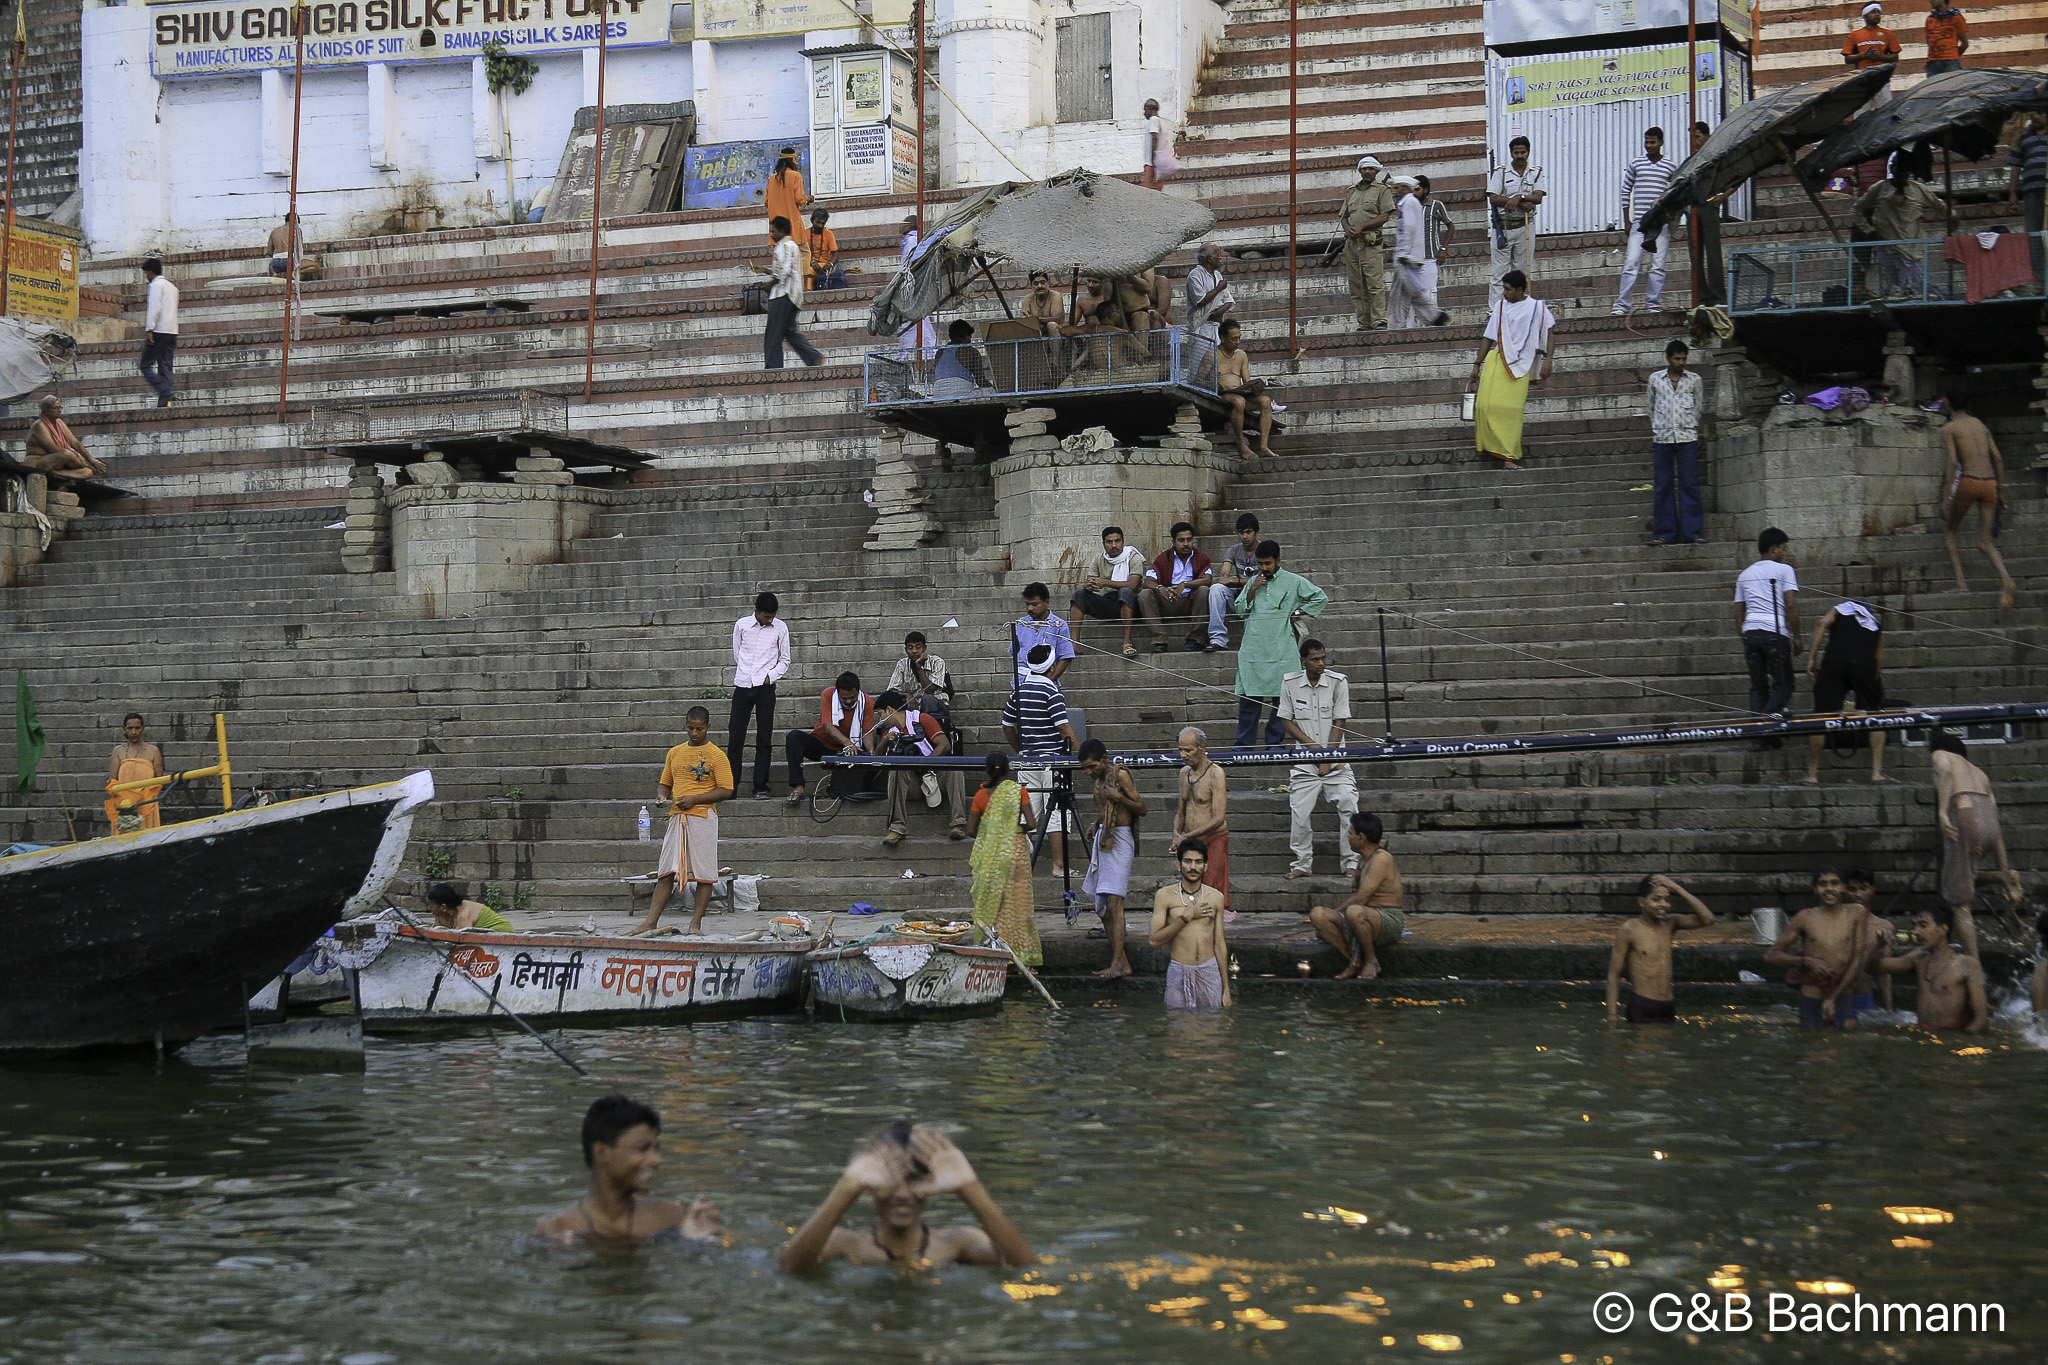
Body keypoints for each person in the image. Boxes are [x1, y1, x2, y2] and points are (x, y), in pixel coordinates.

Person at [780, 1122, 1035, 1270]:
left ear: (931, 1183)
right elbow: (791, 1268)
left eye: (913, 1180)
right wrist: (846, 1187)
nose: (902, 1194)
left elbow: (1024, 1267)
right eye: (890, 1180)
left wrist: (969, 1187)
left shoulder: (958, 1243)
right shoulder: (844, 1245)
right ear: (867, 1186)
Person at [534, 1096, 722, 1247]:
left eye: (656, 1149)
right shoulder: (558, 1229)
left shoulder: (672, 1217)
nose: (657, 1160)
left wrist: (701, 1241)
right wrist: (554, 1255)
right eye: (642, 1149)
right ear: (602, 1152)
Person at [631, 707, 734, 936]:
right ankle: (650, 921)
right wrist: (661, 797)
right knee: (666, 871)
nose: (694, 733)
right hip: (677, 816)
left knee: (704, 873)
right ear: (685, 726)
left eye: (699, 729)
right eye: (690, 728)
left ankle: (695, 924)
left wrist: (696, 799)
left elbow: (727, 789)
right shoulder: (675, 752)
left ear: (708, 726)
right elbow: (665, 783)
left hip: (703, 817)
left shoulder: (716, 754)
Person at [1928, 728, 2020, 959]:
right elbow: (1995, 822)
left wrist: (1942, 813)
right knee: (1964, 877)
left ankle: (1974, 968)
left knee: (1959, 902)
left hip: (1964, 812)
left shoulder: (1941, 754)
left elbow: (1945, 771)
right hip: (1988, 819)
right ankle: (1998, 878)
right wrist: (2005, 873)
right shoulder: (1980, 773)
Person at [1234, 539, 1328, 746]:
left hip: (1282, 648)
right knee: (1249, 702)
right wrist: (1253, 588)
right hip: (1254, 649)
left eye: (1268, 563)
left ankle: (1274, 744)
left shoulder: (1293, 581)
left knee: (1281, 703)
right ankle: (1244, 745)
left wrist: (1298, 612)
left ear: (1278, 561)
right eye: (1260, 564)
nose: (1264, 568)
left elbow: (1320, 598)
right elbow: (1240, 610)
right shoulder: (1254, 581)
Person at [1278, 639, 1358, 882]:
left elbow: (1340, 721)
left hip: (1336, 762)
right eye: (1315, 659)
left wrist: (1328, 757)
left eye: (1323, 658)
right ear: (1303, 661)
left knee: (1349, 806)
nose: (1321, 663)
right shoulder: (1289, 683)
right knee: (1299, 813)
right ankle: (1302, 863)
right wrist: (1314, 750)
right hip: (1305, 761)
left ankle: (1351, 863)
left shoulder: (1338, 682)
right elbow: (1286, 720)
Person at [1002, 644, 1079, 876]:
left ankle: (1019, 865)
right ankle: (1059, 866)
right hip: (1053, 761)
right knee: (1057, 812)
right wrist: (1082, 753)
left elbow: (1007, 726)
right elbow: (1064, 728)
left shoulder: (1018, 692)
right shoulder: (1052, 692)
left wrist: (1021, 749)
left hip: (1028, 760)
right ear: (1053, 666)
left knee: (1028, 812)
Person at [1764, 867, 1872, 1027]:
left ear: (1843, 887)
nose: (1828, 889)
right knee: (1812, 1047)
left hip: (1843, 994)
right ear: (1815, 889)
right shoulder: (1804, 917)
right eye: (1822, 884)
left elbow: (1858, 959)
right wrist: (1805, 961)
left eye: (1834, 883)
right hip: (1812, 996)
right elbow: (1770, 955)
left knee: (1848, 1046)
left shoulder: (1856, 913)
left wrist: (1833, 998)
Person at [1938, 391, 2015, 609]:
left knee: (1951, 531)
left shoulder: (1949, 428)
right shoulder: (1980, 424)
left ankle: (1962, 583)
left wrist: (1945, 499)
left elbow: (1953, 463)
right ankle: (2007, 580)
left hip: (1969, 482)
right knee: (1984, 541)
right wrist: (1999, 490)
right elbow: (1998, 458)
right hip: (1989, 483)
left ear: (1949, 406)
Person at [1469, 269, 1555, 465]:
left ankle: (1508, 455)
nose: (1504, 293)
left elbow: (1550, 334)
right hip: (1497, 360)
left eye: (1508, 290)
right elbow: (1488, 337)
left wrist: (1548, 360)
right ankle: (1491, 447)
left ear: (1520, 289)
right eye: (1504, 289)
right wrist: (1476, 365)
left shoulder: (1537, 308)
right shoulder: (1500, 306)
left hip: (1523, 363)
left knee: (1512, 410)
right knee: (1484, 406)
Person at [1075, 739, 1145, 978]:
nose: (1089, 772)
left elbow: (1141, 807)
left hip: (1121, 840)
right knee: (1102, 907)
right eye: (1085, 768)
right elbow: (1104, 810)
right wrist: (1096, 823)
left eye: (1092, 766)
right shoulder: (1097, 780)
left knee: (1115, 904)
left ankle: (1117, 964)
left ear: (1104, 759)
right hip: (1104, 840)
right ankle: (1122, 962)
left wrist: (1119, 797)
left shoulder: (1120, 775)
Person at [1803, 599, 1893, 785]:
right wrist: (1874, 681)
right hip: (1864, 665)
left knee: (1821, 716)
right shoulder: (1875, 622)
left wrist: (1812, 658)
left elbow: (1821, 624)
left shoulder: (1839, 610)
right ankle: (1877, 772)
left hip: (1834, 661)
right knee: (1875, 715)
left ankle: (1812, 775)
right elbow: (1879, 657)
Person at [1604, 874, 1715, 1023]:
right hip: (1643, 1005)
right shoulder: (1629, 930)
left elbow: (1708, 919)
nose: (1663, 904)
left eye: (1667, 900)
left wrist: (1678, 888)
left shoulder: (1671, 923)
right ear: (1642, 902)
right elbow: (1614, 974)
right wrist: (1612, 1016)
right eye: (1656, 899)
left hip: (1668, 1005)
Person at [1306, 812, 1404, 979]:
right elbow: (1356, 891)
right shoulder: (1363, 859)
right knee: (1318, 914)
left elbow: (1361, 898)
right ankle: (1355, 962)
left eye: (1351, 833)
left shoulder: (1381, 859)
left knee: (1354, 911)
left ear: (1362, 837)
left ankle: (1372, 961)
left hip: (1387, 919)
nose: (1348, 837)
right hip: (1362, 916)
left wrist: (1337, 915)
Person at [967, 753, 1043, 964]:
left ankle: (1000, 956)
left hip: (992, 856)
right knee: (1020, 905)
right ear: (1008, 770)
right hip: (1016, 852)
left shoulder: (981, 796)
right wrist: (1011, 828)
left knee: (995, 906)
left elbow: (971, 830)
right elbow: (1031, 824)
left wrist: (992, 833)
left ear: (987, 771)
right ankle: (1026, 957)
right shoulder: (1018, 791)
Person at [868, 689, 966, 847]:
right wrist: (886, 742)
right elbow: (880, 759)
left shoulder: (921, 719)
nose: (880, 719)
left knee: (955, 768)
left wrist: (927, 763)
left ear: (889, 709)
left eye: (880, 714)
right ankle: (897, 827)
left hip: (933, 776)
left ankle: (958, 823)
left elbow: (944, 744)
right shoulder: (889, 732)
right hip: (912, 785)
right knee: (896, 770)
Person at [1734, 528, 1800, 743]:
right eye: (1783, 548)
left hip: (1751, 633)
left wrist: (1743, 634)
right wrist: (1797, 635)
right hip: (1775, 632)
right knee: (1784, 684)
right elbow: (1790, 603)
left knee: (1758, 686)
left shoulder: (1744, 574)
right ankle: (1763, 724)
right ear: (1773, 549)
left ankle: (1759, 738)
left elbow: (1738, 610)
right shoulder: (1784, 570)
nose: (1784, 553)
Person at [1876, 904, 1988, 1031]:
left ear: (1943, 929)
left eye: (1923, 925)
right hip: (1922, 1034)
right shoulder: (1917, 958)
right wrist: (1878, 945)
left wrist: (1959, 1042)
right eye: (1915, 925)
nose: (1916, 931)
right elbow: (1873, 967)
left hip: (1951, 1036)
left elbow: (1981, 1018)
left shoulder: (1968, 965)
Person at [1150, 838, 1232, 1009]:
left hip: (1209, 971)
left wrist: (1226, 989)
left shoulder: (1216, 897)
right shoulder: (1165, 895)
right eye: (1188, 861)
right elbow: (1154, 941)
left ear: (1206, 866)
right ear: (1179, 865)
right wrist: (1186, 917)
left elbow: (1219, 944)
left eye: (1198, 862)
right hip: (1179, 970)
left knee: (1211, 1028)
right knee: (1178, 1027)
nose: (1193, 867)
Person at [729, 591, 790, 799]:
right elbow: (738, 654)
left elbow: (785, 659)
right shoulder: (742, 625)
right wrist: (749, 674)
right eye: (766, 616)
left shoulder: (781, 628)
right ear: (757, 611)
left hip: (765, 688)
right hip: (743, 685)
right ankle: (731, 787)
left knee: (764, 738)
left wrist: (769, 676)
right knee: (735, 738)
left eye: (772, 616)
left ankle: (760, 786)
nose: (769, 620)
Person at [1854, 159, 1944, 298]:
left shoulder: (1919, 190)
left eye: (1906, 172)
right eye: (1899, 170)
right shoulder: (1880, 188)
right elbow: (1856, 210)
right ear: (1892, 169)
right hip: (1888, 248)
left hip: (1913, 249)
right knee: (1890, 292)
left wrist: (1952, 215)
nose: (1902, 175)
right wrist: (1867, 229)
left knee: (1915, 293)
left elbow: (1941, 207)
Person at [1646, 338, 1704, 545]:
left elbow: (1699, 407)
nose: (1681, 362)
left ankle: (1693, 532)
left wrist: (1688, 425)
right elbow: (1650, 407)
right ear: (1668, 358)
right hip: (1662, 439)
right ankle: (1664, 533)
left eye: (1683, 358)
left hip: (1687, 437)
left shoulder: (1694, 380)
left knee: (1689, 484)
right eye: (1677, 358)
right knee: (1663, 486)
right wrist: (1660, 427)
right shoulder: (1655, 379)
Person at [784, 671, 873, 806]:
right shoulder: (828, 694)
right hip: (821, 745)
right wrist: (847, 742)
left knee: (865, 756)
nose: (848, 701)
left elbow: (867, 731)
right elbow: (828, 726)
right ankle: (798, 787)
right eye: (844, 698)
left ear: (858, 691)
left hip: (845, 752)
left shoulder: (867, 702)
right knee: (794, 737)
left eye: (852, 697)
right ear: (838, 693)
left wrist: (871, 750)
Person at [1614, 126, 1677, 315]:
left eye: (1653, 142)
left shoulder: (1670, 166)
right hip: (1639, 224)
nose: (1649, 146)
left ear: (1661, 143)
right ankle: (1622, 305)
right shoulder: (1636, 163)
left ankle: (1653, 303)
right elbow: (1626, 191)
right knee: (1631, 263)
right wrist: (1627, 219)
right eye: (1647, 142)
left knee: (1658, 266)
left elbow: (1674, 194)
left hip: (1661, 224)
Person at [1172, 727, 1230, 910]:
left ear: (1202, 747)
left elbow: (1219, 818)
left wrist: (1186, 837)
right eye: (1181, 750)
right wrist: (1176, 834)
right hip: (1191, 843)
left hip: (1213, 840)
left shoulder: (1216, 773)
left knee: (1210, 889)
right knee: (1191, 886)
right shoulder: (1184, 774)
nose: (1183, 755)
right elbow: (1181, 811)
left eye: (1188, 750)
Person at [1068, 526, 1146, 660]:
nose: (1114, 545)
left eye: (1117, 541)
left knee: (1125, 592)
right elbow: (1091, 580)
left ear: (1123, 541)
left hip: (1131, 604)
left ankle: (1127, 643)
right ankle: (1074, 644)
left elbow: (1133, 585)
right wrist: (1089, 586)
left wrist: (1105, 582)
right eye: (1109, 542)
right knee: (1079, 595)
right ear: (1103, 544)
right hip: (1108, 602)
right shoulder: (1098, 559)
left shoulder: (1133, 557)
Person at [755, 216, 822, 370]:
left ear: (782, 231)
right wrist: (766, 271)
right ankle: (813, 356)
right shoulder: (790, 246)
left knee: (773, 333)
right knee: (789, 331)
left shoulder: (785, 245)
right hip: (793, 295)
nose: (771, 234)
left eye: (774, 231)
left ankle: (773, 367)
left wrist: (771, 283)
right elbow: (785, 268)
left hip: (783, 295)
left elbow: (786, 269)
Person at [1484, 137, 1544, 307]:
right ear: (1511, 153)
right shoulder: (1501, 172)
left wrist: (1518, 198)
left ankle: (1520, 308)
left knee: (1522, 271)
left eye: (1523, 152)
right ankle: (1495, 311)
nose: (1519, 156)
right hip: (1503, 228)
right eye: (1516, 152)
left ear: (1528, 152)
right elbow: (1493, 197)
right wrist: (1515, 201)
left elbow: (1538, 196)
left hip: (1524, 226)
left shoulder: (1536, 171)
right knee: (1499, 273)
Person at [1339, 155, 1397, 331]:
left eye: (1371, 169)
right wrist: (1348, 228)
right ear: (1360, 170)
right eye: (1364, 169)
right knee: (1357, 286)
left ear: (1376, 171)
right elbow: (1344, 216)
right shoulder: (1352, 192)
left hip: (1370, 244)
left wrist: (1362, 226)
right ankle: (1363, 322)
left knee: (1374, 284)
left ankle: (1379, 320)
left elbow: (1385, 215)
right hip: (1352, 245)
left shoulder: (1382, 190)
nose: (1367, 172)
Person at [1138, 522, 1214, 653]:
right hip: (1168, 601)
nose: (1185, 543)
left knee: (1204, 591)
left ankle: (1195, 640)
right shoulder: (1163, 558)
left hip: (1191, 602)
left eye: (1189, 540)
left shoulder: (1201, 557)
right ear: (1173, 542)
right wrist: (1161, 589)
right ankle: (1159, 640)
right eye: (1181, 540)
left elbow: (1207, 580)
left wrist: (1185, 584)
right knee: (1144, 595)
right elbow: (1147, 581)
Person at [1387, 177, 1450, 329]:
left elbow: (1409, 229)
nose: (1394, 192)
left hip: (1408, 258)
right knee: (1404, 293)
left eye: (1397, 188)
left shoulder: (1408, 203)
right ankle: (1398, 324)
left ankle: (1432, 317)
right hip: (1409, 256)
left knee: (1410, 292)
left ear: (1405, 188)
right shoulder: (1409, 202)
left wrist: (1403, 253)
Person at [1215, 319, 1277, 460]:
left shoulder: (1241, 355)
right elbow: (1200, 379)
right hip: (1224, 396)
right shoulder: (1212, 354)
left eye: (1239, 338)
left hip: (1240, 392)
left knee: (1265, 400)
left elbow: (1247, 380)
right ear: (1223, 338)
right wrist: (1215, 385)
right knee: (1239, 401)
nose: (1237, 342)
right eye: (1233, 339)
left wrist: (1255, 389)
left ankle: (1263, 447)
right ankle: (1241, 443)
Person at [1205, 512, 1260, 652]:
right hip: (1239, 599)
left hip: (1259, 601)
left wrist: (1235, 580)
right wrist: (1239, 582)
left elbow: (1262, 580)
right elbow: (1224, 578)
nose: (1244, 537)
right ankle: (1218, 639)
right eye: (1241, 533)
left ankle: (1251, 643)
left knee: (1253, 607)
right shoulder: (1234, 550)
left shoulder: (1263, 549)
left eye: (1248, 532)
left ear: (1256, 532)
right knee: (1216, 589)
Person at [1687, 122, 1727, 307]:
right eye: (1693, 137)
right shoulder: (1692, 159)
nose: (1695, 141)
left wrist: (1724, 196)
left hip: (1709, 207)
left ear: (1706, 136)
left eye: (1698, 137)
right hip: (1693, 209)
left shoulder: (1715, 156)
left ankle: (1718, 297)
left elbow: (1735, 176)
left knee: (1713, 254)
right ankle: (1701, 298)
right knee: (1695, 255)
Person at [1844, 867, 1895, 1014]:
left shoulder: (1884, 927)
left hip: (1862, 996)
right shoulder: (1835, 921)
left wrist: (1889, 1009)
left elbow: (1884, 971)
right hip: (1835, 994)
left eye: (1863, 888)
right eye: (1852, 889)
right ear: (1844, 891)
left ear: (1872, 890)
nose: (1857, 894)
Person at [103, 712, 165, 833]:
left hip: (147, 801)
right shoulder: (118, 751)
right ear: (124, 729)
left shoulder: (153, 750)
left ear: (143, 729)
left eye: (137, 728)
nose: (133, 732)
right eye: (130, 728)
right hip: (125, 803)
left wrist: (144, 795)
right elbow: (113, 781)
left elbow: (160, 780)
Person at [2009, 112, 2045, 296]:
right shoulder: (2023, 136)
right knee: (2034, 237)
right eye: (2034, 113)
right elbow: (2015, 165)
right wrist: (2012, 191)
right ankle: (2040, 282)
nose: (2035, 116)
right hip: (2031, 193)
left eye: (2040, 113)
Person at [25, 395, 106, 477]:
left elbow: (75, 443)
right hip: (38, 462)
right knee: (68, 454)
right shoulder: (39, 425)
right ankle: (49, 472)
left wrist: (91, 460)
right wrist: (83, 462)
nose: (59, 410)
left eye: (60, 408)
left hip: (57, 464)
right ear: (46, 411)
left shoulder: (59, 422)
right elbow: (53, 448)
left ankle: (55, 474)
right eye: (56, 408)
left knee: (87, 472)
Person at [887, 631, 954, 723]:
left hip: (936, 706)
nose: (914, 651)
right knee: (889, 704)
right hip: (913, 706)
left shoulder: (937, 662)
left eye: (918, 647)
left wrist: (919, 667)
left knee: (928, 698)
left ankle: (929, 732)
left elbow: (929, 690)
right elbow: (891, 691)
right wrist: (907, 695)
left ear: (924, 648)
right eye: (910, 648)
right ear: (906, 650)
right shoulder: (902, 664)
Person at [1413, 175, 1456, 320]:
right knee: (1412, 295)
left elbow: (1450, 226)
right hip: (1412, 260)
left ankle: (1431, 327)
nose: (1414, 193)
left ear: (1425, 189)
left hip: (1430, 257)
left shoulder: (1436, 206)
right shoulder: (1409, 206)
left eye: (1417, 189)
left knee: (1430, 293)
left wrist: (1443, 249)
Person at [1015, 582, 1075, 682]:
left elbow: (1066, 656)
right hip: (1022, 682)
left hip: (1047, 680)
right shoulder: (1020, 624)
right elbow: (1015, 654)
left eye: (1034, 604)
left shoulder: (1059, 625)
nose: (1030, 608)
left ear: (1046, 602)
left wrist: (1049, 681)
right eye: (1027, 604)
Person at [139, 259, 178, 408]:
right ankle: (165, 399)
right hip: (172, 331)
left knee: (145, 365)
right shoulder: (172, 287)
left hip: (159, 331)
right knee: (165, 365)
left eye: (146, 274)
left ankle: (164, 390)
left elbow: (154, 308)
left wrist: (150, 329)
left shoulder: (156, 285)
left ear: (150, 272)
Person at [897, 215, 937, 357]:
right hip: (912, 285)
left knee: (918, 319)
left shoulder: (912, 240)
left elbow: (912, 264)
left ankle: (928, 352)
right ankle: (908, 352)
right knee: (913, 320)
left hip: (912, 285)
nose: (902, 226)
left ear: (913, 225)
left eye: (905, 224)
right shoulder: (911, 240)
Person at [1185, 242, 1237, 344]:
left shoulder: (1217, 275)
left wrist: (1219, 312)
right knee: (1201, 359)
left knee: (1217, 359)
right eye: (1217, 255)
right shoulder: (1195, 275)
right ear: (1209, 259)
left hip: (1217, 327)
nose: (1220, 258)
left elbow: (1229, 301)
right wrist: (1219, 288)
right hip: (1201, 328)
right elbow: (1200, 300)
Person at [762, 147, 810, 251]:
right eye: (795, 160)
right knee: (805, 252)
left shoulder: (771, 180)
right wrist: (808, 199)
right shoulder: (796, 176)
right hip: (793, 225)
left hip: (778, 229)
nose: (796, 163)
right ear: (791, 160)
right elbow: (800, 199)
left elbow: (766, 202)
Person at [929, 319, 992, 397]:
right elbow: (981, 381)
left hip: (938, 395)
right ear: (965, 335)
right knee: (991, 391)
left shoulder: (939, 352)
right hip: (960, 394)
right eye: (969, 336)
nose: (970, 340)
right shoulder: (971, 351)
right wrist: (993, 387)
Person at [424, 881, 516, 933]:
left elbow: (459, 941)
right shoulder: (443, 914)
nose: (429, 908)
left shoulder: (463, 915)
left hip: (502, 933)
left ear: (443, 907)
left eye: (431, 906)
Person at [1841, 5, 1901, 72]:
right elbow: (1847, 59)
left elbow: (1895, 57)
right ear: (1865, 16)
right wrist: (1863, 55)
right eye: (1873, 12)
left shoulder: (1888, 33)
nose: (1877, 14)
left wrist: (1880, 57)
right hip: (1862, 75)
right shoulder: (1854, 35)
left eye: (1878, 12)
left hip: (1882, 75)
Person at [1139, 98, 1177, 190]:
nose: (1144, 113)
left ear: (1151, 109)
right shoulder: (1161, 122)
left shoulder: (1153, 120)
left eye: (1145, 110)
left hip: (1152, 164)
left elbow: (1154, 138)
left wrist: (1153, 159)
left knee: (1147, 190)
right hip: (1158, 164)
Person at [1923, 1, 1968, 73]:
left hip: (1950, 63)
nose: (1930, 1)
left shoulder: (1956, 18)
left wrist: (1953, 57)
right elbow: (1930, 43)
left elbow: (1965, 44)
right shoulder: (1930, 19)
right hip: (1933, 63)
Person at [806, 208, 845, 290]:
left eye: (823, 223)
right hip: (809, 265)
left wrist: (830, 264)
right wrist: (811, 262)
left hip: (824, 266)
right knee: (809, 271)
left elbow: (835, 254)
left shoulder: (829, 234)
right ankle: (809, 293)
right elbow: (801, 253)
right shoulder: (804, 234)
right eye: (818, 222)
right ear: (812, 220)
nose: (820, 225)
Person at [267, 212, 304, 278]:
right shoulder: (297, 230)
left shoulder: (274, 231)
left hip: (275, 263)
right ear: (295, 221)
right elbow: (299, 250)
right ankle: (294, 272)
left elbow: (269, 251)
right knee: (315, 266)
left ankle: (274, 273)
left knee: (272, 265)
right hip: (291, 262)